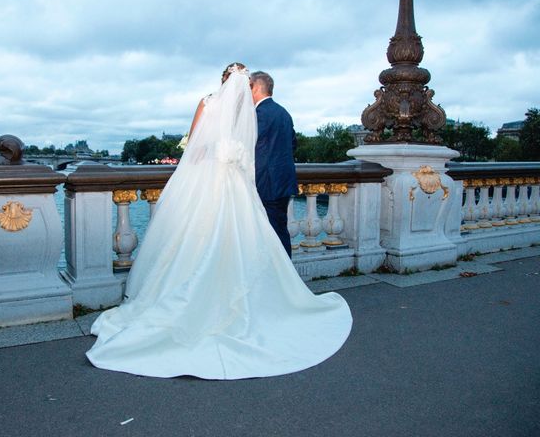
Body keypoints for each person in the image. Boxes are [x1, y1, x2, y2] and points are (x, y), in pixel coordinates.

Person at [86, 63, 352, 379]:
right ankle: (254, 297)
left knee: (197, 235)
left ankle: (192, 297)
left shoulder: (208, 103)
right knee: (246, 237)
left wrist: (200, 151)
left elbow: (195, 147)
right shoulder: (248, 113)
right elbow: (251, 152)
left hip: (208, 183)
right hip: (238, 186)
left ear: (222, 81)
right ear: (243, 85)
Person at [250, 71, 297, 257]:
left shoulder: (258, 114)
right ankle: (287, 275)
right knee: (280, 230)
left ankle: (280, 279)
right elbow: (293, 144)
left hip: (266, 183)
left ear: (256, 88)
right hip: (283, 182)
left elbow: (248, 144)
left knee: (269, 234)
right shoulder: (283, 112)